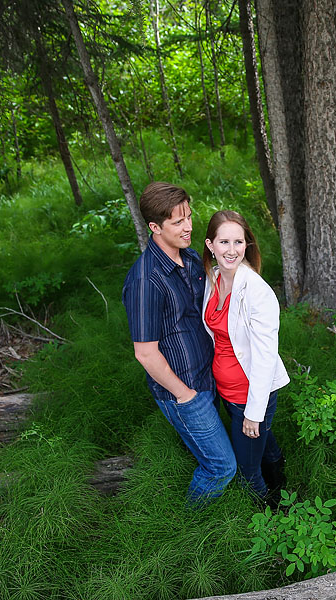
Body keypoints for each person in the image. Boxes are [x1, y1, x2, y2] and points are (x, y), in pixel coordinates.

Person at [122, 182, 236, 505]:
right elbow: (145, 353)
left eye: (189, 216)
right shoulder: (146, 280)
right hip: (184, 391)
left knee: (211, 452)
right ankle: (191, 522)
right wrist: (184, 395)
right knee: (221, 467)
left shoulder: (189, 258)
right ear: (155, 227)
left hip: (208, 376)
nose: (189, 227)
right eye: (178, 222)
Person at [202, 210, 289, 505]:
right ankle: (283, 487)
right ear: (210, 245)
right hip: (226, 391)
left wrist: (254, 412)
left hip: (248, 393)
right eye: (223, 241)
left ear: (247, 245)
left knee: (247, 470)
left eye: (238, 242)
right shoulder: (213, 277)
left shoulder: (257, 292)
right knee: (264, 446)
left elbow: (266, 357)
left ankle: (271, 517)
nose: (232, 249)